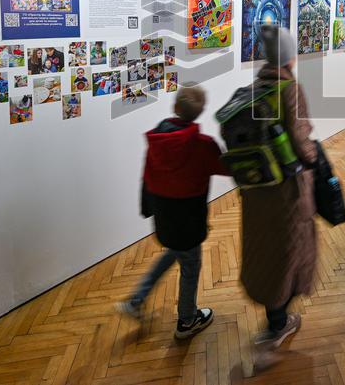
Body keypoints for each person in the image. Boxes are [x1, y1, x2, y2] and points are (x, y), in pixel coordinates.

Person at [116, 85, 228, 339]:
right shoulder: (203, 145)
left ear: (175, 107)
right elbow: (227, 168)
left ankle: (137, 298)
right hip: (189, 222)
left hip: (164, 219)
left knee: (175, 253)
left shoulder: (156, 140)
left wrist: (146, 209)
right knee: (190, 267)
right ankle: (187, 320)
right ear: (200, 113)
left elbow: (146, 177)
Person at [239, 25, 318, 360]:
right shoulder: (290, 88)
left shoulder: (253, 88)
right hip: (287, 188)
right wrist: (316, 159)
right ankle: (277, 325)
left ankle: (273, 319)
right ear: (289, 57)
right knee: (289, 251)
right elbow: (301, 141)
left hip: (258, 187)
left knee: (265, 250)